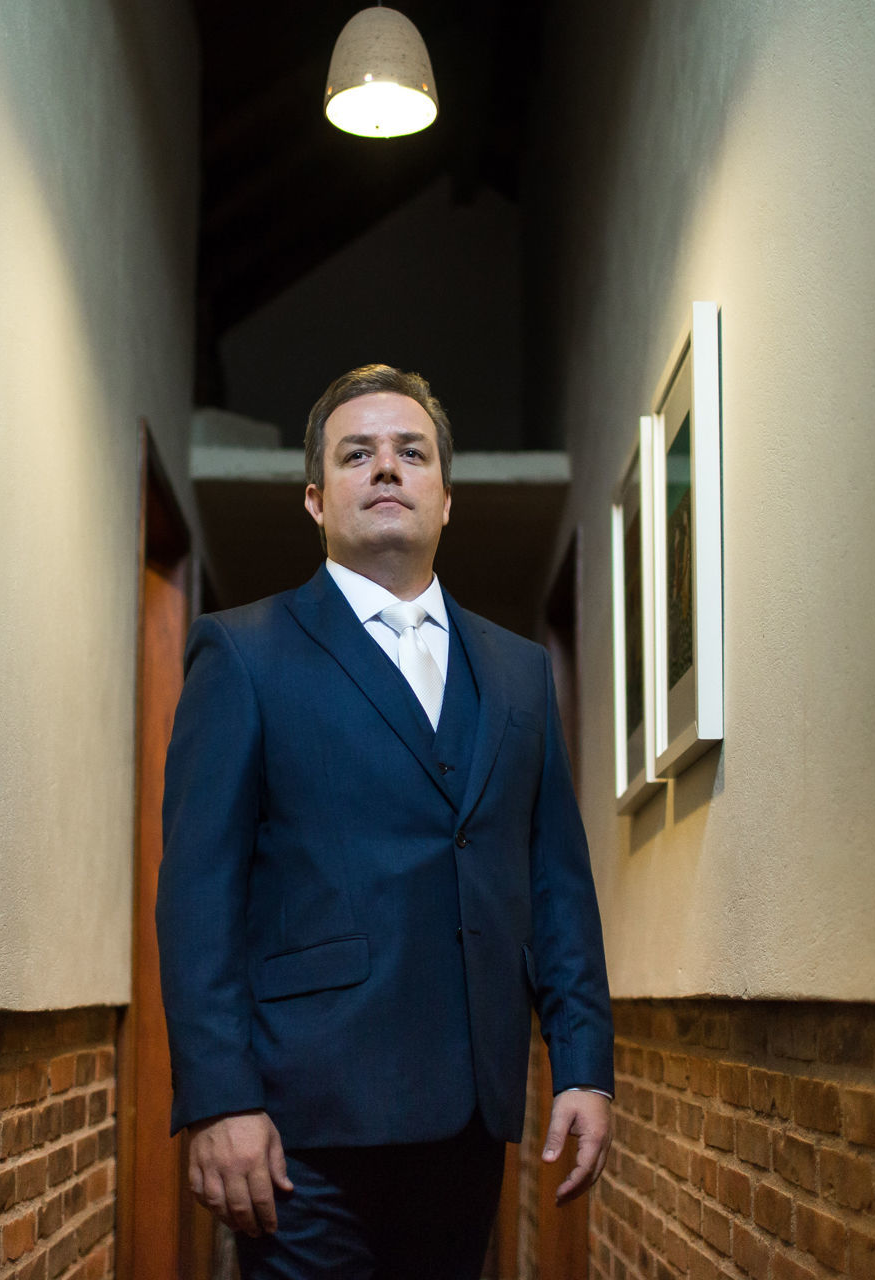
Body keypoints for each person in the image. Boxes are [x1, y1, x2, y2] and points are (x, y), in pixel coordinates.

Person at [156, 364, 614, 1278]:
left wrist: (582, 1063)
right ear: (316, 499)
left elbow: (556, 884)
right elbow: (198, 897)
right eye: (356, 454)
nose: (387, 469)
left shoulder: (520, 672)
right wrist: (218, 1099)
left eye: (412, 452)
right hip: (301, 1127)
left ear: (447, 497)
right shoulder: (242, 654)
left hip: (469, 1117)